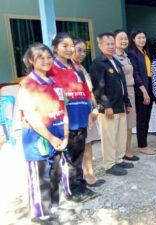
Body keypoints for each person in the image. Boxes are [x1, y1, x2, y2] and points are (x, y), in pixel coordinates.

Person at [18, 43, 70, 222]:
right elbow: (32, 117)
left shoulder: (55, 82)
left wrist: (65, 135)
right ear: (32, 60)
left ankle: (54, 207)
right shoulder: (27, 85)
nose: (47, 61)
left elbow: (63, 109)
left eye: (49, 57)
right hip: (38, 138)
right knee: (41, 176)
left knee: (55, 173)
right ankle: (40, 214)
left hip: (57, 136)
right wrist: (52, 138)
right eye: (41, 57)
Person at [49, 33, 98, 201]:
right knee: (68, 157)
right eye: (65, 46)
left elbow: (85, 91)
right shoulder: (51, 69)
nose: (70, 49)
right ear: (55, 47)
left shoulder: (75, 67)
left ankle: (79, 185)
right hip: (65, 121)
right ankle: (71, 190)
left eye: (71, 46)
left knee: (78, 154)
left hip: (81, 118)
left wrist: (91, 112)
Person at [90, 32, 134, 176]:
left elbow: (122, 84)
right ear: (100, 45)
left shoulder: (115, 61)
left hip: (120, 105)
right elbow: (98, 88)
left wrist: (127, 102)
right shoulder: (97, 64)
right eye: (107, 44)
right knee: (109, 137)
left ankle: (119, 159)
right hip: (109, 108)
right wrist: (106, 106)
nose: (110, 46)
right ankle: (109, 165)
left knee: (120, 135)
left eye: (111, 44)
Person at [72, 38, 105, 187]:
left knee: (88, 144)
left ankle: (89, 173)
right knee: (78, 147)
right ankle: (79, 178)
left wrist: (95, 108)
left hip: (89, 112)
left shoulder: (81, 68)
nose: (82, 54)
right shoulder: (68, 70)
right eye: (78, 50)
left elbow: (90, 91)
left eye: (84, 51)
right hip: (76, 114)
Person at [128, 29, 155, 155]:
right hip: (141, 89)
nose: (142, 40)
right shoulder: (132, 53)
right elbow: (136, 74)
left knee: (147, 117)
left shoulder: (145, 52)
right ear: (133, 39)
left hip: (149, 86)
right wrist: (144, 92)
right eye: (139, 37)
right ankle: (142, 145)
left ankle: (144, 142)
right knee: (142, 118)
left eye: (144, 37)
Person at [114, 29, 140, 161]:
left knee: (129, 122)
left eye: (125, 38)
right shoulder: (113, 57)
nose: (124, 41)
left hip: (131, 91)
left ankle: (127, 150)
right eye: (121, 39)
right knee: (120, 124)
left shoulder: (126, 56)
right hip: (121, 92)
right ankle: (120, 151)